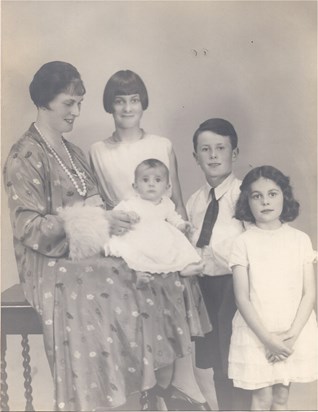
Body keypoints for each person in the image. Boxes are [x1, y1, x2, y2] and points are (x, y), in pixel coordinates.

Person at [3, 62, 204, 412]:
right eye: (69, 104)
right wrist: (95, 221)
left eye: (80, 103)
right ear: (45, 102)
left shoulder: (74, 153)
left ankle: (154, 386)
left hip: (87, 251)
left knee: (151, 268)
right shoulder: (25, 155)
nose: (77, 112)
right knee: (120, 277)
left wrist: (119, 218)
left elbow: (100, 204)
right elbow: (29, 229)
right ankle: (115, 396)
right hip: (48, 261)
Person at [90, 69, 212, 410]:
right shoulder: (98, 150)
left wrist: (182, 243)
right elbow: (101, 203)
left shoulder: (161, 145)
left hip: (163, 244)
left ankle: (174, 393)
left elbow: (174, 200)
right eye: (119, 101)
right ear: (109, 106)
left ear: (143, 103)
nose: (127, 108)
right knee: (136, 331)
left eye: (134, 100)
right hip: (129, 248)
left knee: (171, 330)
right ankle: (145, 397)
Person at [228, 165, 317, 410]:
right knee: (261, 398)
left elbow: (310, 293)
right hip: (257, 332)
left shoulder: (300, 240)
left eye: (272, 194)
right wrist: (268, 340)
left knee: (280, 399)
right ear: (247, 201)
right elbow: (242, 298)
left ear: (284, 196)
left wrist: (290, 337)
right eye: (257, 196)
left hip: (292, 331)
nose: (265, 201)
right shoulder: (243, 242)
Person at [186, 118, 250, 410]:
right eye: (205, 149)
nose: (213, 155)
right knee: (210, 359)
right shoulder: (194, 201)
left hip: (234, 288)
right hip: (204, 289)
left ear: (234, 154)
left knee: (232, 357)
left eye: (220, 148)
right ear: (195, 156)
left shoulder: (244, 196)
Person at [106, 158, 204, 281]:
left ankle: (185, 267)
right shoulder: (131, 203)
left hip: (160, 238)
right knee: (131, 252)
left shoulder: (167, 203)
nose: (151, 184)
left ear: (167, 187)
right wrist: (128, 215)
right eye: (145, 180)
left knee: (180, 245)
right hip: (139, 237)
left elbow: (174, 218)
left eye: (157, 180)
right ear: (135, 186)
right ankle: (138, 273)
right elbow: (116, 214)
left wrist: (182, 225)